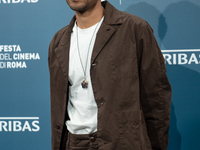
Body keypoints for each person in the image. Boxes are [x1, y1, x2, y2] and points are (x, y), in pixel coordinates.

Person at [48, 0, 172, 150]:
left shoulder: (135, 29)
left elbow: (156, 100)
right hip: (74, 142)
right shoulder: (58, 42)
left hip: (122, 142)